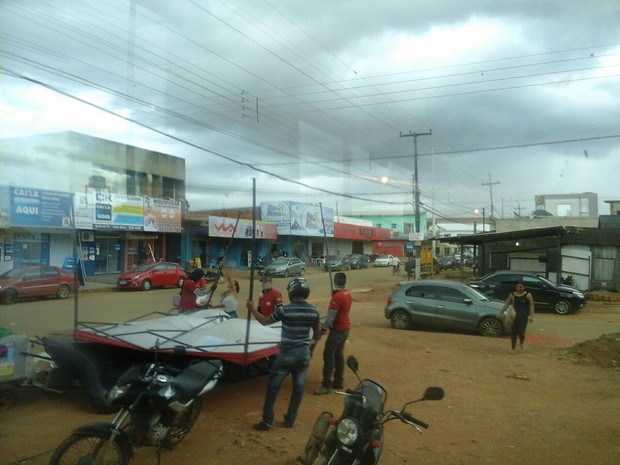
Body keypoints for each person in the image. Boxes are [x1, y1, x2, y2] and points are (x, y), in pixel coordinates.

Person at [246, 277, 321, 431]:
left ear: (291, 292)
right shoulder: (314, 310)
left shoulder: (284, 310)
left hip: (286, 354)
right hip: (303, 354)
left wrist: (252, 308)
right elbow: (317, 333)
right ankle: (291, 419)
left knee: (273, 386)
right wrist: (310, 350)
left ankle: (267, 421)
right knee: (299, 387)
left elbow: (265, 321)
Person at [314, 272, 352, 395]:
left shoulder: (337, 297)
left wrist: (323, 329)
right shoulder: (347, 294)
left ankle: (326, 385)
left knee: (329, 355)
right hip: (345, 328)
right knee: (338, 355)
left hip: (338, 329)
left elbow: (330, 317)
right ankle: (338, 381)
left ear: (335, 282)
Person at [499, 281, 535, 353]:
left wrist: (532, 316)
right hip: (514, 316)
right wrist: (501, 312)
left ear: (524, 287)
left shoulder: (528, 295)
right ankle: (513, 348)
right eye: (517, 286)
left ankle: (521, 342)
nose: (519, 288)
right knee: (514, 332)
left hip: (523, 316)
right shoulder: (512, 295)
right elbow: (507, 304)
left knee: (521, 332)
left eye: (521, 287)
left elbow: (531, 305)